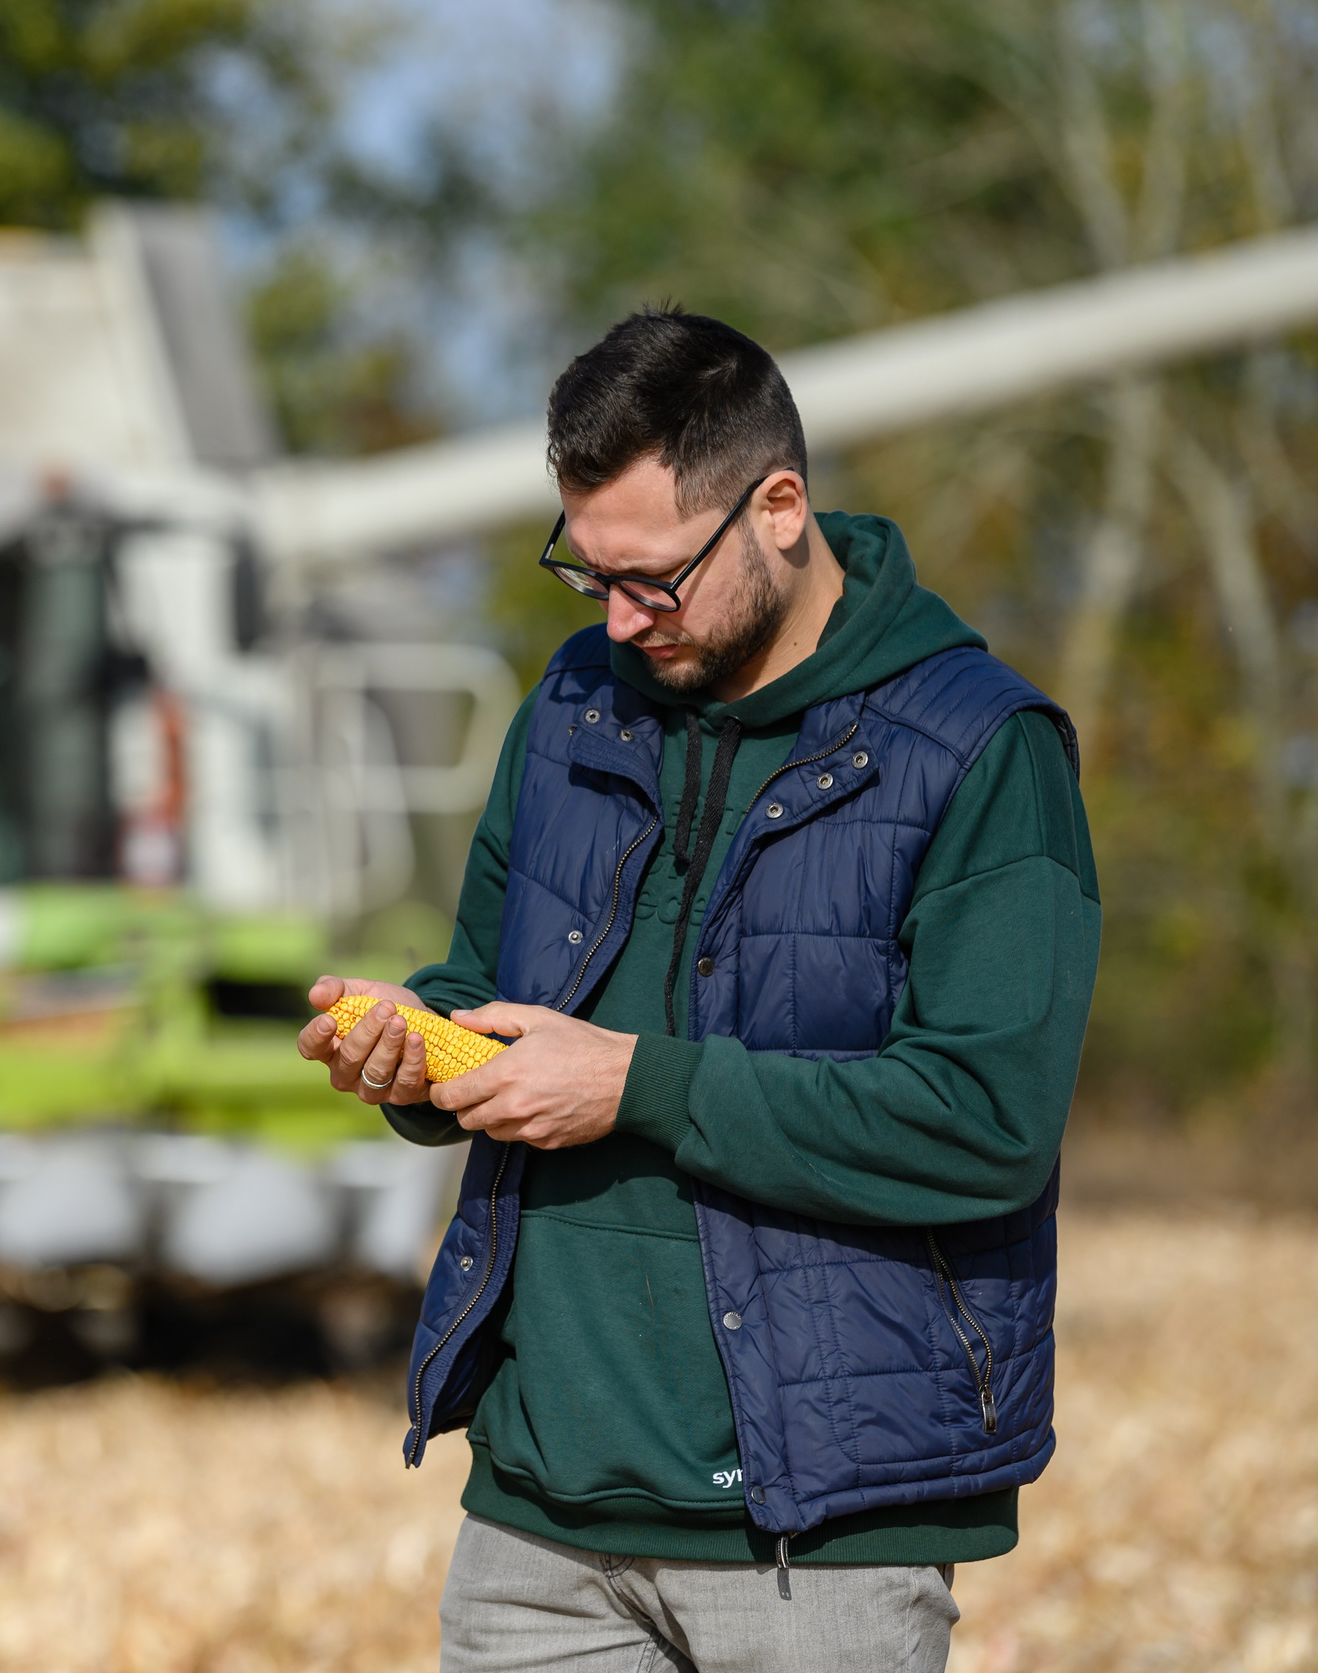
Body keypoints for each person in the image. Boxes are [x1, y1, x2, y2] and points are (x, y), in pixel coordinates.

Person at [297, 308, 1098, 1672]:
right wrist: (419, 1054)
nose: (618, 617)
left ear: (779, 508)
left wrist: (631, 1084)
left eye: (653, 578)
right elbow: (489, 981)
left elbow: (985, 1121)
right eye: (588, 572)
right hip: (535, 1535)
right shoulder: (574, 704)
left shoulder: (981, 752)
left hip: (819, 1547)